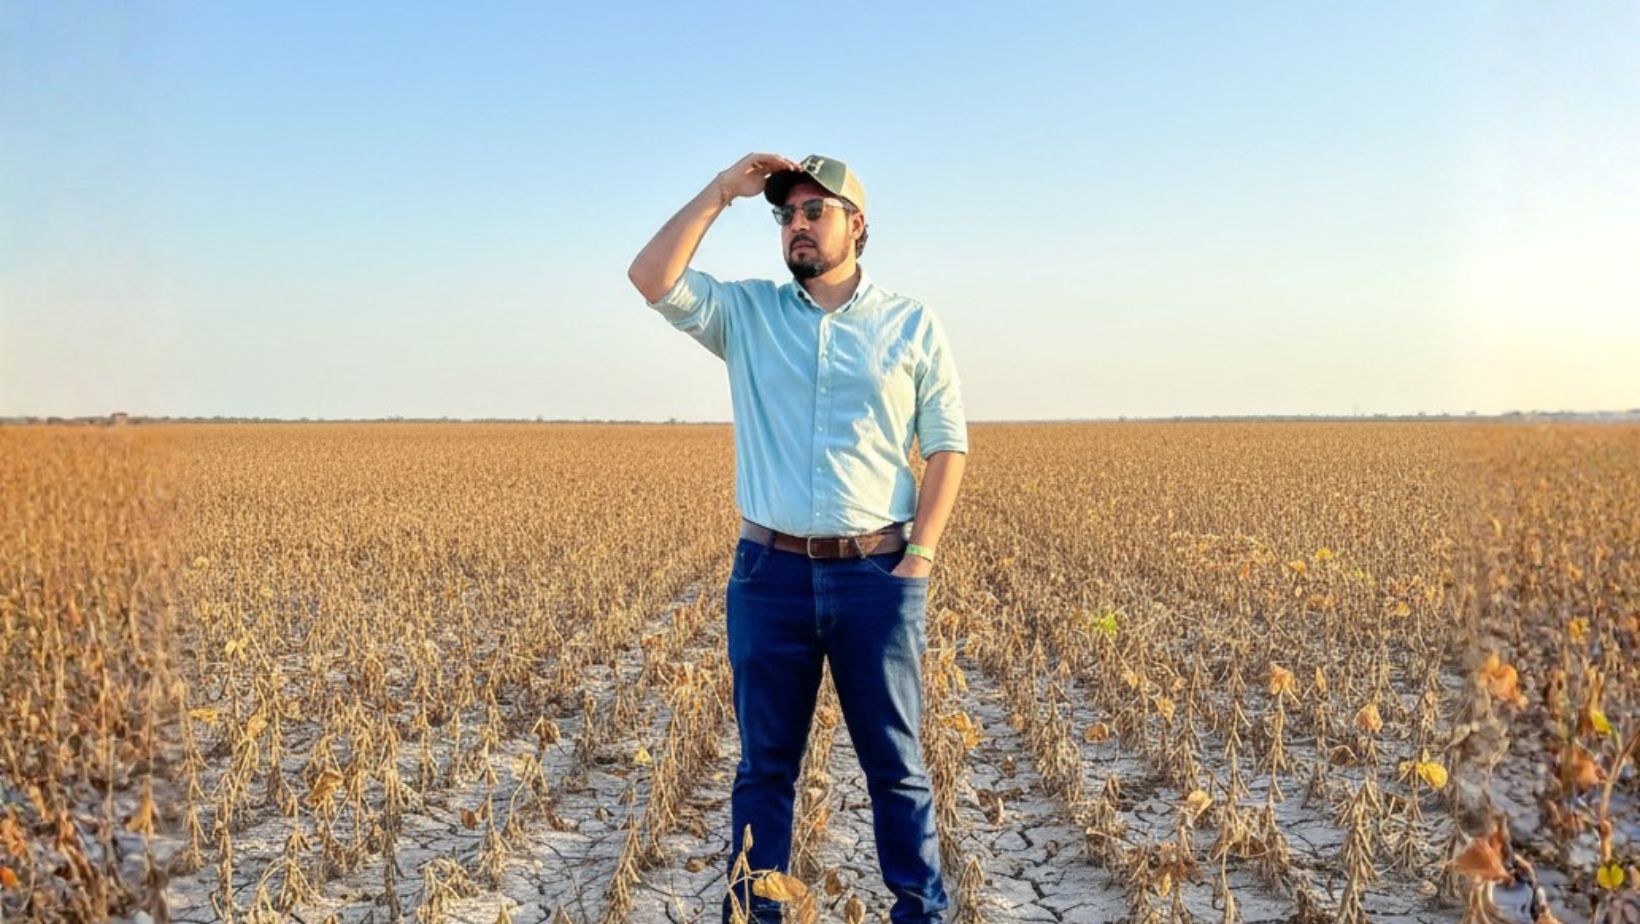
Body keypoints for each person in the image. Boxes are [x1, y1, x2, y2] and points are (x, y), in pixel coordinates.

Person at [627, 152, 968, 923]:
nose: (797, 226)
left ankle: (922, 915)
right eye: (785, 215)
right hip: (768, 576)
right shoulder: (746, 315)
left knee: (896, 768)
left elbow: (947, 444)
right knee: (764, 770)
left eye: (815, 211)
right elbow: (650, 277)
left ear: (858, 226)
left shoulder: (911, 324)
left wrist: (920, 560)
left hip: (877, 574)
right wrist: (721, 194)